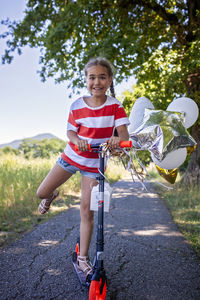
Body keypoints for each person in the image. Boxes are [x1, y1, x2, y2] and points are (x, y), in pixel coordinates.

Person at [37, 57, 130, 277]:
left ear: (109, 80)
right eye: (92, 77)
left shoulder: (115, 106)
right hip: (72, 157)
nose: (97, 82)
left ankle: (82, 259)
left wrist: (117, 141)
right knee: (41, 191)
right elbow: (69, 132)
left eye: (102, 77)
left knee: (87, 212)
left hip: (94, 163)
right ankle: (50, 196)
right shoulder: (77, 105)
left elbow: (124, 136)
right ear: (86, 80)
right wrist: (77, 138)